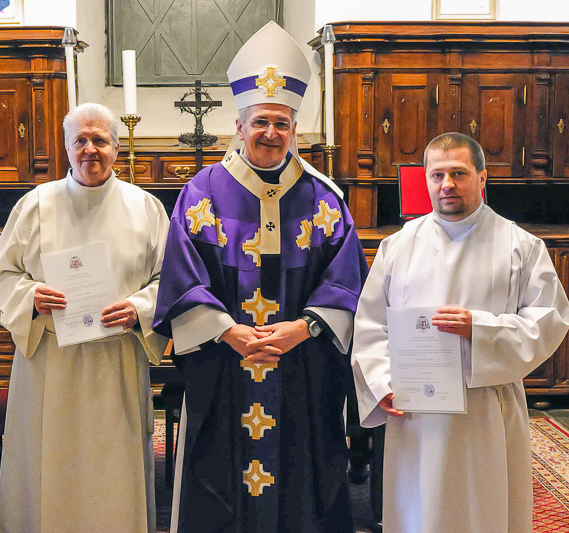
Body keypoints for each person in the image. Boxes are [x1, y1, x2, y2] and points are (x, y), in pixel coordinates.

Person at [154, 21, 368, 532]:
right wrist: (229, 332)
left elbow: (346, 280)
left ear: (295, 129)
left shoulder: (324, 198)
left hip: (303, 367)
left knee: (303, 473)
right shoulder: (202, 192)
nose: (270, 133)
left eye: (281, 123)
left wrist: (303, 328)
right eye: (260, 122)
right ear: (239, 125)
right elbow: (182, 277)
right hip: (226, 366)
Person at [351, 132, 569, 532]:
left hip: (485, 407)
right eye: (437, 175)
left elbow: (548, 320)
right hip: (417, 410)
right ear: (425, 180)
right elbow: (370, 324)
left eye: (458, 173)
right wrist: (380, 382)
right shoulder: (397, 247)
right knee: (419, 509)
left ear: (482, 178)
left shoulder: (520, 246)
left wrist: (480, 329)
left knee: (482, 507)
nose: (446, 184)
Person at [0, 102, 169, 533]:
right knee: (48, 463)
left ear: (116, 148)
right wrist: (30, 296)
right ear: (66, 147)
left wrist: (139, 308)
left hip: (117, 356)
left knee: (114, 466)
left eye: (99, 140)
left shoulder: (145, 207)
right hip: (50, 360)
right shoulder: (35, 205)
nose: (90, 149)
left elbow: (170, 280)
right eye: (80, 140)